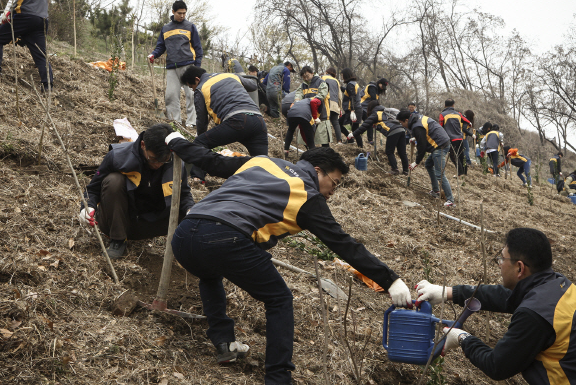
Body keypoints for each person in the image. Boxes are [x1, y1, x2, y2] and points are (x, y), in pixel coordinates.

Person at [162, 138, 412, 385]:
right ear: (317, 171)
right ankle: (278, 377)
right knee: (279, 299)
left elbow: (211, 161)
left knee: (209, 273)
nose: (333, 191)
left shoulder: (262, 162)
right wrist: (391, 281)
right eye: (334, 182)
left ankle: (224, 343)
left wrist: (175, 140)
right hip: (227, 236)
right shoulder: (306, 194)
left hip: (185, 234)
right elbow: (343, 244)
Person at [415, 227, 576, 384]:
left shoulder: (534, 315)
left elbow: (497, 366)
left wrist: (461, 338)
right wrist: (448, 293)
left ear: (520, 268)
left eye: (502, 259)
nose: (500, 264)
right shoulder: (558, 286)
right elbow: (507, 297)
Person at [78, 124, 194, 259]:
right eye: (153, 159)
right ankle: (118, 240)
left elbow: (184, 193)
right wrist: (87, 207)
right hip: (121, 220)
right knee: (113, 181)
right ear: (143, 145)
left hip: (155, 223)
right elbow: (93, 188)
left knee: (191, 214)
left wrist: (190, 210)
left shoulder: (176, 162)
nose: (158, 164)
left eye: (164, 160)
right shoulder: (118, 156)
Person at [180, 66, 267, 183]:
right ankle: (264, 185)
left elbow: (201, 121)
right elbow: (253, 85)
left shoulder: (201, 89)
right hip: (258, 121)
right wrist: (236, 80)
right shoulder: (229, 75)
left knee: (200, 143)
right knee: (262, 163)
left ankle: (197, 178)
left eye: (192, 87)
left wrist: (201, 138)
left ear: (197, 79)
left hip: (237, 120)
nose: (193, 90)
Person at [148, 0, 202, 127]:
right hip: (172, 66)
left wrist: (197, 66)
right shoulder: (166, 29)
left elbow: (198, 48)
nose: (182, 16)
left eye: (184, 13)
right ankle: (174, 121)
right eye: (179, 13)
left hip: (189, 66)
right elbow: (161, 47)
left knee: (192, 95)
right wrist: (153, 55)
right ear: (173, 12)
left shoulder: (190, 26)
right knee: (171, 95)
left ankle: (192, 122)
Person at [397, 109, 455, 206]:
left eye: (401, 122)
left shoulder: (416, 126)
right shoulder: (418, 119)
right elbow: (426, 133)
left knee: (440, 174)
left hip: (440, 146)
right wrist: (416, 138)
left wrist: (416, 162)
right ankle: (436, 191)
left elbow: (422, 146)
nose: (402, 125)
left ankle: (450, 201)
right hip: (441, 142)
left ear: (406, 120)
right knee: (428, 164)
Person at [350, 101, 408, 175]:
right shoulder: (386, 111)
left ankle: (395, 169)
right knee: (402, 152)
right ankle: (406, 171)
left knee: (389, 151)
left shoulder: (376, 113)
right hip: (402, 129)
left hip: (393, 131)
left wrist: (353, 134)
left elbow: (364, 126)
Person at [293, 66, 332, 147]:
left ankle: (325, 156)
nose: (306, 78)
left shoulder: (321, 82)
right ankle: (312, 154)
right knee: (307, 140)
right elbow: (298, 93)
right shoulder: (303, 85)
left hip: (321, 114)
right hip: (308, 115)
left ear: (312, 73)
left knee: (323, 140)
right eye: (304, 77)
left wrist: (309, 100)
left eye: (307, 76)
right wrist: (297, 101)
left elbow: (322, 95)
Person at [439, 99, 472, 177]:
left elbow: (440, 127)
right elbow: (469, 122)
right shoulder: (458, 114)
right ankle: (464, 172)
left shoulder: (443, 114)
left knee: (453, 156)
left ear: (445, 105)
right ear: (453, 105)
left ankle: (459, 173)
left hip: (450, 139)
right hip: (460, 138)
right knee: (461, 155)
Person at [339, 68, 363, 148]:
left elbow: (352, 97)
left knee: (339, 123)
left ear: (346, 75)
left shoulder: (350, 85)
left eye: (342, 76)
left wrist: (352, 110)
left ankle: (360, 146)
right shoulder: (353, 83)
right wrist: (339, 87)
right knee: (355, 130)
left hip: (353, 110)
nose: (342, 77)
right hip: (357, 109)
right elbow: (348, 92)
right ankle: (356, 144)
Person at [360, 78, 389, 144]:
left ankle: (369, 140)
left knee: (369, 123)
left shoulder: (377, 91)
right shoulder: (372, 87)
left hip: (368, 108)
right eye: (382, 86)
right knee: (368, 122)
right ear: (379, 83)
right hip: (362, 106)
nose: (382, 88)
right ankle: (364, 138)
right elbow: (374, 100)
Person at [321, 67, 344, 144]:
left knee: (324, 122)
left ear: (327, 72)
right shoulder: (336, 81)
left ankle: (326, 141)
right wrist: (340, 107)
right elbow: (340, 96)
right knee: (335, 123)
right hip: (335, 105)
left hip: (325, 103)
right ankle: (339, 140)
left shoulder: (322, 78)